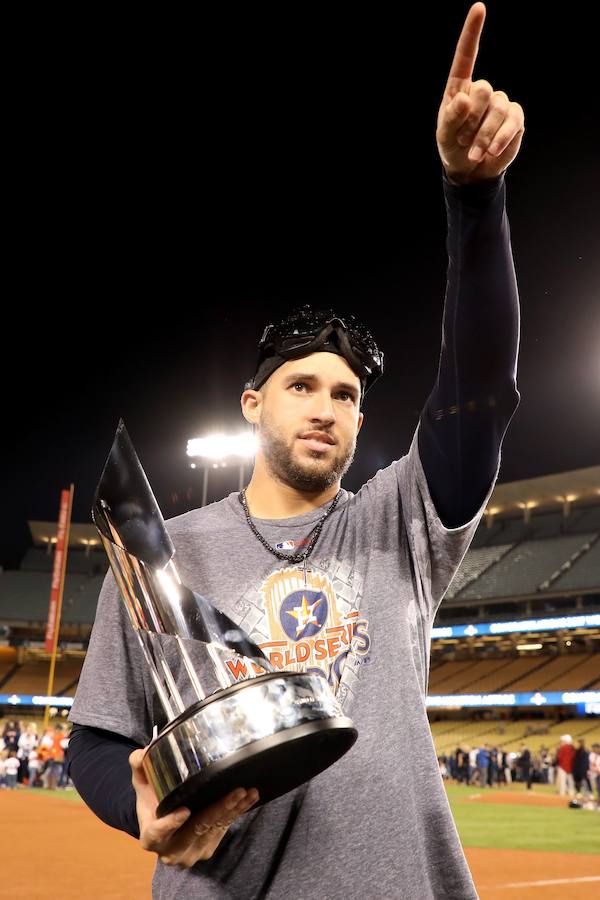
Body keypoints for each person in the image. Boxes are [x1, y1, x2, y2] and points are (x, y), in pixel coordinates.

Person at [66, 4, 524, 897]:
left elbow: (482, 391)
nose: (326, 408)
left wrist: (474, 198)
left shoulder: (401, 526)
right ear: (251, 404)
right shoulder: (167, 551)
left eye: (347, 395)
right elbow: (98, 737)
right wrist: (137, 811)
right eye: (302, 386)